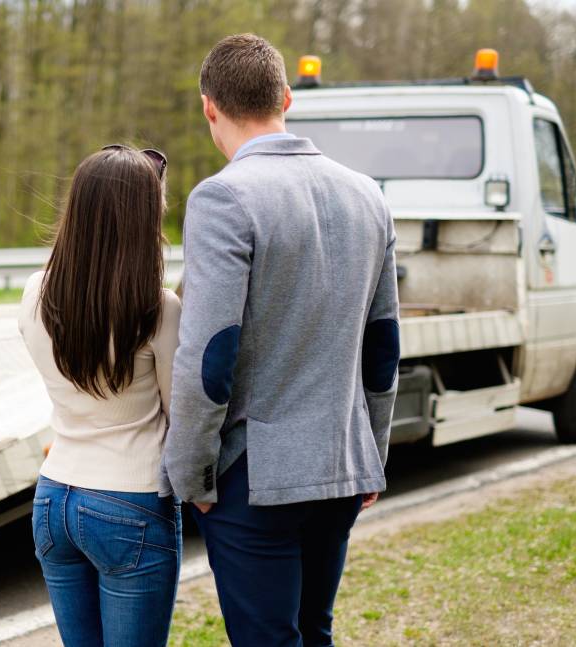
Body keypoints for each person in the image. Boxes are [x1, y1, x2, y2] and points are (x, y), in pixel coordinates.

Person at [161, 34, 399, 646]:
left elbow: (210, 355)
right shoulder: (368, 194)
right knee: (313, 631)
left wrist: (190, 474)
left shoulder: (224, 197)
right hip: (341, 466)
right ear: (286, 97)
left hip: (254, 478)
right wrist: (372, 450)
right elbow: (383, 345)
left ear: (209, 107)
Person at [20, 145, 182, 647]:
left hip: (53, 499)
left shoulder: (35, 292)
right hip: (129, 501)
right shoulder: (158, 308)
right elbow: (182, 414)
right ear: (143, 219)